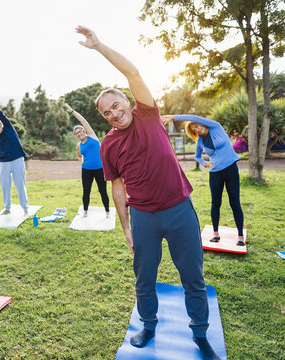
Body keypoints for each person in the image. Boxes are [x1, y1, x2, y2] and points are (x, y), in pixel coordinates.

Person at [75, 26, 220, 360]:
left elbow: (132, 71)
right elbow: (117, 185)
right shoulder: (108, 144)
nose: (113, 113)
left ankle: (200, 333)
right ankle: (149, 325)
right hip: (143, 217)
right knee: (144, 279)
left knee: (192, 278)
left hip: (179, 210)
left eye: (116, 105)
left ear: (127, 100)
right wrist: (126, 226)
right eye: (106, 112)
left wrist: (98, 46)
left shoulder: (149, 115)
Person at [162, 115, 244, 246]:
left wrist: (173, 117)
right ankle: (215, 234)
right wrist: (205, 163)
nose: (197, 129)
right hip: (215, 173)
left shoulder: (215, 127)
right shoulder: (200, 141)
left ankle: (240, 236)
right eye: (194, 130)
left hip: (231, 169)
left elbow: (192, 116)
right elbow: (197, 156)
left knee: (235, 202)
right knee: (216, 203)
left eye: (197, 126)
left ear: (201, 123)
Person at [0, 92, 29, 216]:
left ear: (1, 124)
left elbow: (0, 113)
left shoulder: (8, 127)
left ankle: (25, 209)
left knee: (20, 184)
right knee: (5, 186)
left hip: (17, 160)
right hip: (4, 163)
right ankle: (7, 208)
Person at [64, 103, 110, 218]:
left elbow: (83, 121)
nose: (79, 133)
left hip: (100, 169)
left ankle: (108, 212)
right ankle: (85, 212)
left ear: (84, 131)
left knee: (103, 191)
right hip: (86, 170)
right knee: (86, 191)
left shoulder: (92, 136)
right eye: (77, 133)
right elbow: (79, 156)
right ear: (76, 136)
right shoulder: (79, 145)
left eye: (80, 131)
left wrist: (72, 111)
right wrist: (82, 162)